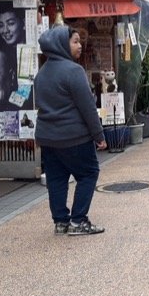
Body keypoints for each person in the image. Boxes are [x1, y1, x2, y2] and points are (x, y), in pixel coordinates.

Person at [34, 25, 107, 236]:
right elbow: (88, 108)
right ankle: (78, 220)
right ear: (61, 45)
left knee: (56, 180)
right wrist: (99, 136)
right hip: (74, 137)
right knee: (88, 173)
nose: (80, 45)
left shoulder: (41, 74)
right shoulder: (74, 71)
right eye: (75, 41)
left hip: (48, 138)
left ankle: (61, 222)